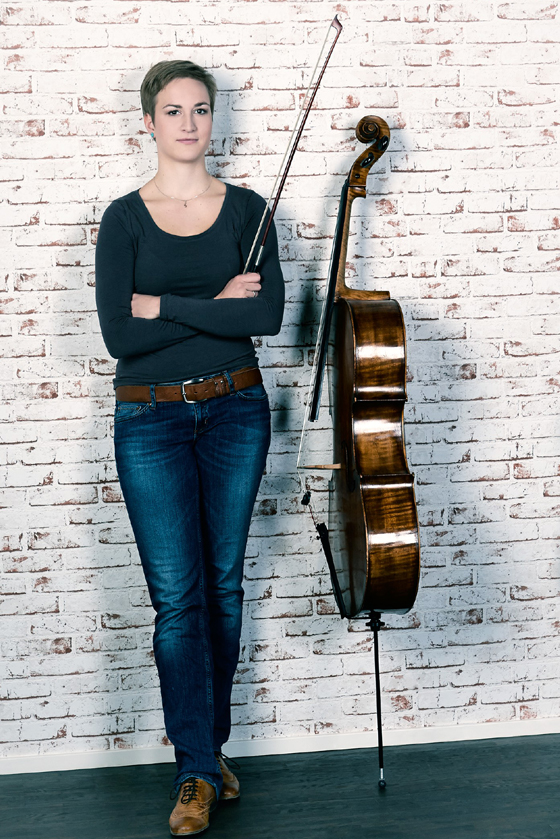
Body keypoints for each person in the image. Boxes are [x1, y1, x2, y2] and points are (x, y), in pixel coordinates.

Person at [94, 59, 284, 836]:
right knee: (178, 598)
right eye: (172, 110)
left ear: (214, 119)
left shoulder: (248, 210)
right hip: (150, 420)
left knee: (224, 588)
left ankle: (205, 753)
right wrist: (212, 303)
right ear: (148, 122)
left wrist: (160, 304)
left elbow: (264, 318)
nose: (188, 122)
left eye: (200, 108)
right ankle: (196, 771)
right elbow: (118, 334)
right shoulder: (123, 220)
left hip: (236, 409)